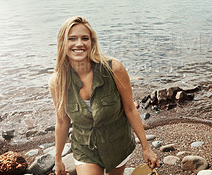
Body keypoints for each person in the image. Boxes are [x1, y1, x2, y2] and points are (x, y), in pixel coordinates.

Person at [49, 16, 159, 175]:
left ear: (91, 42)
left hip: (118, 143)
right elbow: (62, 120)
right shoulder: (57, 81)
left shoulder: (114, 68)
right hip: (85, 147)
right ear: (62, 43)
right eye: (72, 38)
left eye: (84, 38)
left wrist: (146, 148)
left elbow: (130, 109)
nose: (79, 43)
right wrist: (58, 159)